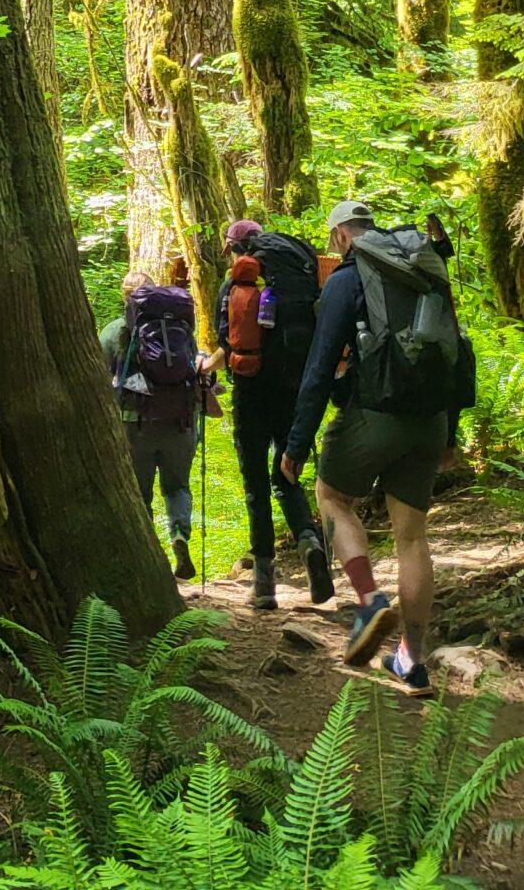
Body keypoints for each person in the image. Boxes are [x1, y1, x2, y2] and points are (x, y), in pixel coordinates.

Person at [281, 198, 456, 694]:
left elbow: (319, 368)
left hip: (373, 413)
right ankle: (411, 661)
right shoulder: (425, 267)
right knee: (413, 538)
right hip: (430, 418)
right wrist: (452, 431)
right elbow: (453, 350)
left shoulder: (346, 278)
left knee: (332, 496)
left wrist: (297, 443)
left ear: (340, 237)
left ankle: (368, 599)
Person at [204, 217, 335, 611]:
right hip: (293, 388)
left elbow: (228, 341)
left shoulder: (235, 286)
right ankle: (310, 542)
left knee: (255, 485)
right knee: (287, 472)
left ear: (238, 249)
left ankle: (264, 584)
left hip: (251, 391)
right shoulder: (298, 275)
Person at [102, 266, 201, 581]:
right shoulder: (180, 329)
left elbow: (103, 377)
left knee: (140, 492)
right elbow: (193, 367)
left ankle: (148, 561)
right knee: (178, 486)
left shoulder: (113, 331)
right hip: (179, 422)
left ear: (125, 297)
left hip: (135, 424)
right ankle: (180, 535)